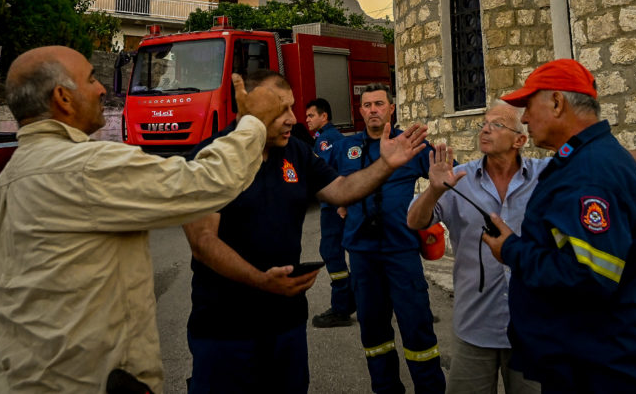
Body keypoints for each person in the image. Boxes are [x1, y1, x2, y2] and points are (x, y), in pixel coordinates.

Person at [0, 45, 287, 393]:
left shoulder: (1, 189)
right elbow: (206, 182)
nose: (103, 89)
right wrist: (251, 123)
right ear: (63, 98)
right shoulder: (85, 167)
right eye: (92, 79)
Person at [408, 101, 636, 394]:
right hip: (474, 327)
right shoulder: (458, 179)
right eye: (483, 123)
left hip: (532, 331)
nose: (485, 129)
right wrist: (434, 191)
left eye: (496, 124)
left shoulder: (548, 173)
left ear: (519, 140)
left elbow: (611, 161)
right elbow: (415, 221)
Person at [184, 71, 430, 394]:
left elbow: (341, 190)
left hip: (286, 324)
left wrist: (385, 164)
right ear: (248, 108)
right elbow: (202, 242)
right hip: (226, 330)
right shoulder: (211, 155)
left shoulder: (298, 153)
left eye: (293, 108)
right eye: (281, 109)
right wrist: (260, 281)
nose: (293, 119)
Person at [481, 59, 636, 392]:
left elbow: (587, 276)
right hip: (595, 356)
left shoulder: (589, 172)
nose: (524, 118)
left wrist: (511, 249)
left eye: (528, 106)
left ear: (557, 103)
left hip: (600, 366)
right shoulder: (596, 157)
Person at [332, 83, 446, 394]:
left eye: (379, 104)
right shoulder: (347, 148)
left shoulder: (409, 145)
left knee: (417, 327)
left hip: (401, 251)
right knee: (373, 332)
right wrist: (341, 203)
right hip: (362, 253)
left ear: (391, 109)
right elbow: (333, 184)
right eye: (367, 105)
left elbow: (445, 174)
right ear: (360, 110)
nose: (372, 110)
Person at [305, 97, 358, 328]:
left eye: (311, 116)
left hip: (333, 206)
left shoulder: (326, 140)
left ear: (324, 117)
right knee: (348, 250)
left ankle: (342, 307)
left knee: (331, 251)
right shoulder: (333, 138)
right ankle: (352, 298)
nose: (306, 120)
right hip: (340, 204)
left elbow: (320, 172)